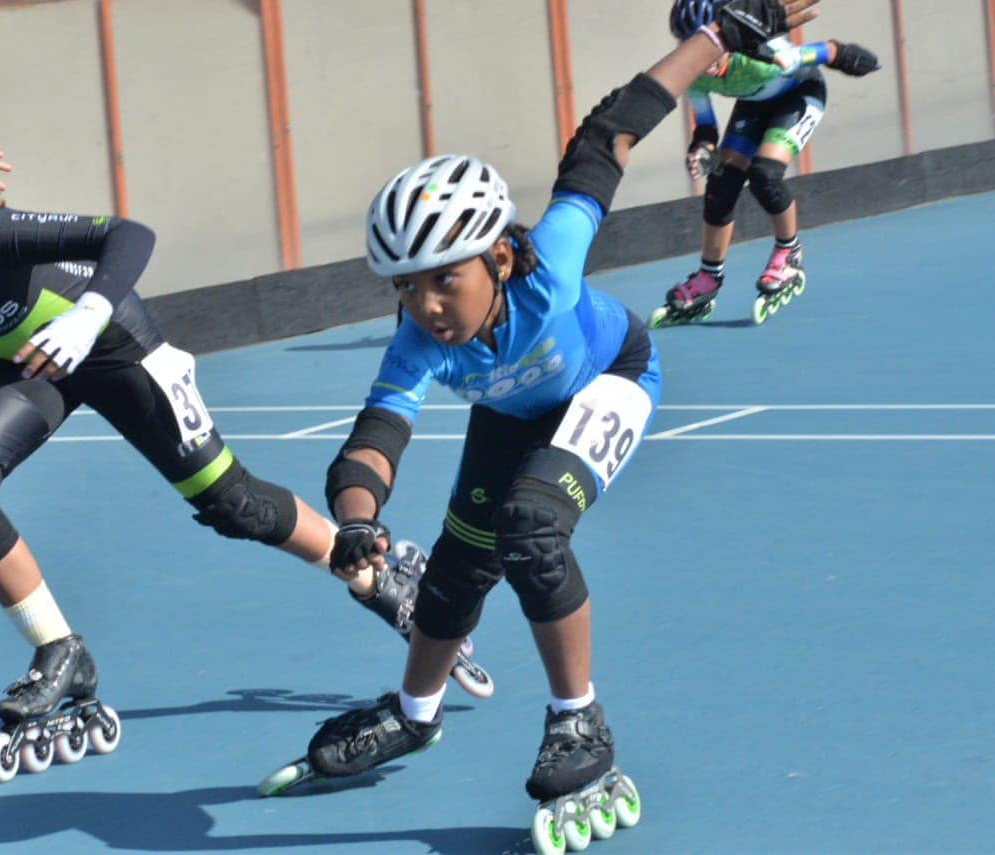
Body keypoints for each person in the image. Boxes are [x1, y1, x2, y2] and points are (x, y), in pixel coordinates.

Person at [270, 0, 823, 827]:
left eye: (441, 280)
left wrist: (711, 40)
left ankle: (578, 718)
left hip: (613, 376)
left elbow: (607, 136)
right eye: (405, 287)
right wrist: (358, 521)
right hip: (518, 412)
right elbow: (372, 443)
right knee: (458, 569)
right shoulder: (417, 342)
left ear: (497, 254)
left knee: (531, 527)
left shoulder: (548, 266)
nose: (424, 305)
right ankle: (415, 717)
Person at [0, 102, 457, 777]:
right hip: (30, 359)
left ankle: (370, 574)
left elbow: (128, 234)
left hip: (110, 344)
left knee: (232, 504)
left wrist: (88, 314)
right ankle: (60, 650)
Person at [651, 0, 879, 326]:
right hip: (754, 103)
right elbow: (705, 126)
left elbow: (827, 50)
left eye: (706, 46)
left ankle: (789, 254)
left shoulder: (763, 56)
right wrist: (702, 149)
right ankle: (708, 277)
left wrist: (849, 57)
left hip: (799, 93)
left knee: (764, 175)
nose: (700, 59)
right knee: (720, 182)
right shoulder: (693, 77)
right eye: (690, 47)